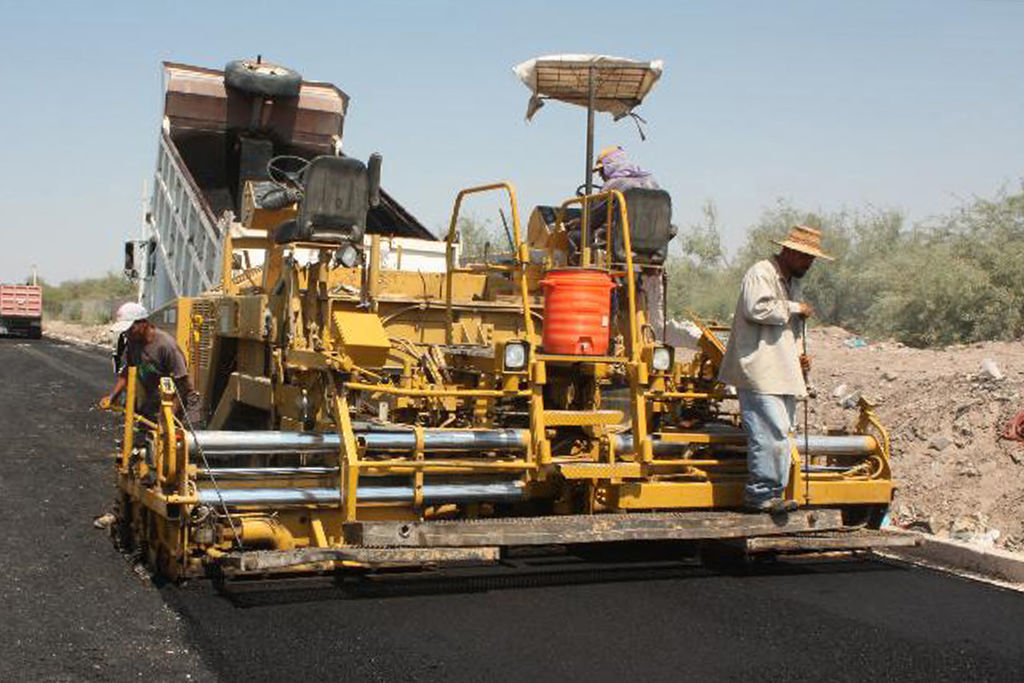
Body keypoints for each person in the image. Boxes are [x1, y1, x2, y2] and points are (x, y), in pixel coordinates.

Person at [717, 225, 833, 513]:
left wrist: (800, 357)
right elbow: (756, 308)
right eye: (805, 257)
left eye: (812, 259)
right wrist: (795, 308)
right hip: (759, 370)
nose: (809, 263)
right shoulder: (761, 273)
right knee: (770, 432)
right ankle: (760, 495)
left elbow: (788, 331)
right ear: (789, 251)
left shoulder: (792, 283)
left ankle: (773, 493)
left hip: (782, 370)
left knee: (781, 434)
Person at [584, 145, 667, 337]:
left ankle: (586, 293)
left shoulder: (614, 186)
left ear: (610, 165)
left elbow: (594, 218)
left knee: (576, 237)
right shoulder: (652, 181)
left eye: (602, 171)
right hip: (651, 251)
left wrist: (577, 223)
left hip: (621, 248)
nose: (601, 176)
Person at [99, 307, 202, 427]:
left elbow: (183, 384)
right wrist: (113, 397)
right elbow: (128, 371)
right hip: (156, 402)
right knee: (145, 435)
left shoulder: (166, 345)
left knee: (175, 437)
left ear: (143, 323)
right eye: (125, 330)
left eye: (131, 329)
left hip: (181, 406)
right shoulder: (133, 342)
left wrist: (168, 416)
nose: (127, 334)